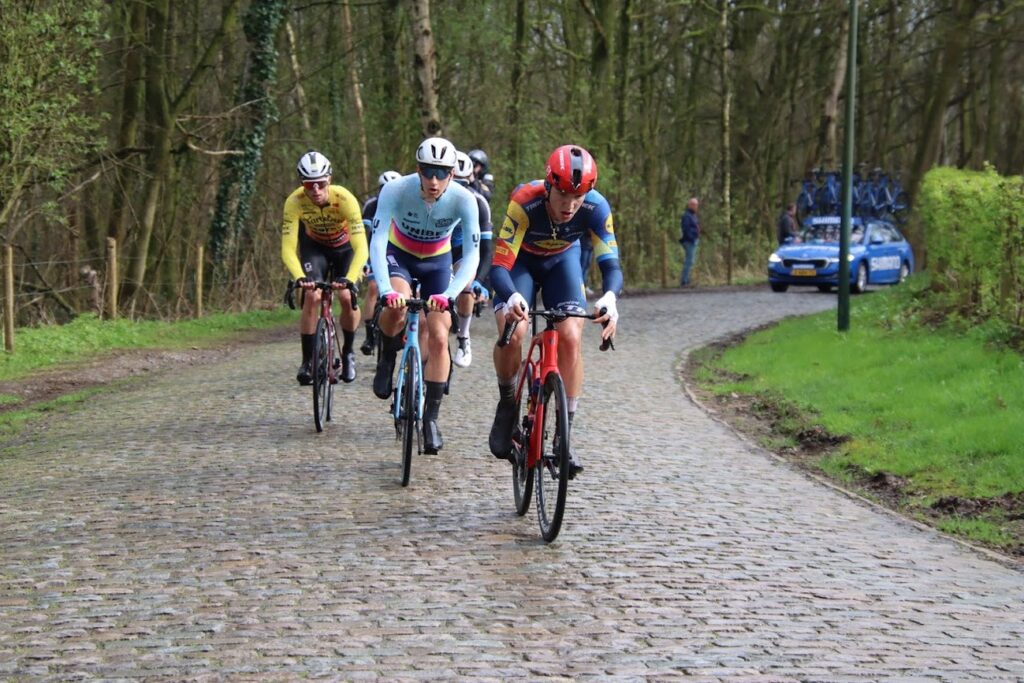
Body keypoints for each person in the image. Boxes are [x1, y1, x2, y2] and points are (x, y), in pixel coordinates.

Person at [487, 144, 621, 477]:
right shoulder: (524, 202)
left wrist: (610, 298)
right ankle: (507, 402)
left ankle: (564, 434)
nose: (570, 205)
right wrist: (511, 297)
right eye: (562, 195)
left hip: (563, 262)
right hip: (521, 264)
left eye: (578, 197)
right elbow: (499, 266)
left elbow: (611, 265)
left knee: (571, 336)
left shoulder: (597, 207)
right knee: (513, 331)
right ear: (549, 187)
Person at [369, 137, 481, 454]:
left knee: (440, 334)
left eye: (441, 173)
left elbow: (472, 256)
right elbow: (377, 242)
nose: (434, 182)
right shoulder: (395, 190)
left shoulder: (464, 199)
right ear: (418, 170)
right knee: (397, 308)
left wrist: (449, 293)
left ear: (451, 174)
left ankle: (430, 419)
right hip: (399, 255)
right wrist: (386, 290)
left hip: (437, 262)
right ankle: (387, 358)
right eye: (428, 172)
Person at [281, 150, 366, 386]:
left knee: (347, 297)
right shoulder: (294, 202)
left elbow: (361, 247)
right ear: (302, 184)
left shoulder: (345, 199)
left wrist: (350, 278)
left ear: (329, 179)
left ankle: (348, 352)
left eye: (320, 183)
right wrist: (299, 276)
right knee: (312, 295)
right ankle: (307, 361)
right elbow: (288, 248)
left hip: (345, 249)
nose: (315, 190)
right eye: (309, 185)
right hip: (315, 248)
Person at [450, 151, 493, 368]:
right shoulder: (429, 196)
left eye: (462, 184)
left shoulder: (479, 202)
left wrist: (480, 281)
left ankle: (463, 337)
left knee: (466, 285)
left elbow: (486, 250)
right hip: (431, 250)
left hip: (461, 250)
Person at [359, 170, 402, 355]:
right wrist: (365, 261)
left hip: (397, 251)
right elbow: (365, 237)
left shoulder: (406, 204)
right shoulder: (371, 205)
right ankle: (369, 334)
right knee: (374, 287)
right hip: (375, 249)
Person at [679, 197, 700, 287]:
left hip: (694, 240)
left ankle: (687, 279)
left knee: (691, 261)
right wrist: (691, 238)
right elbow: (686, 229)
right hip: (689, 241)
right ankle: (684, 281)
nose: (696, 207)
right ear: (690, 205)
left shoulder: (693, 216)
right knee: (689, 261)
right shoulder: (687, 216)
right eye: (694, 205)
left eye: (696, 205)